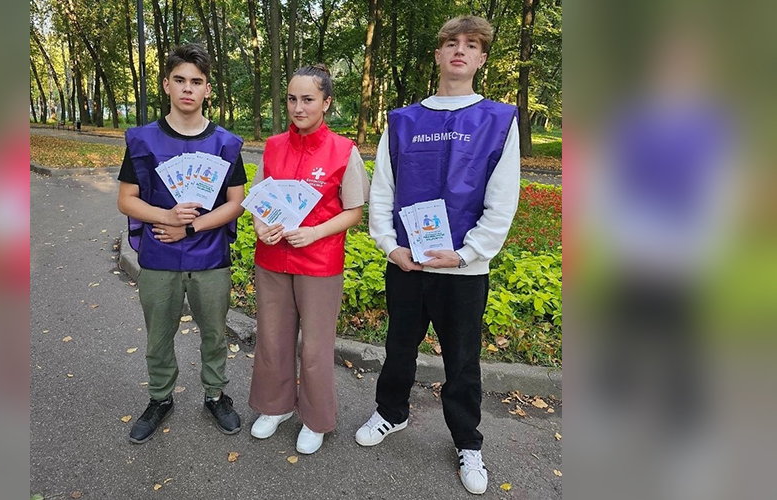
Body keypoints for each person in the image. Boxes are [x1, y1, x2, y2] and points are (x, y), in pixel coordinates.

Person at [356, 16, 520, 495]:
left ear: (482, 58)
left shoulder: (499, 120)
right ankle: (391, 413)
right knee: (399, 347)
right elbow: (383, 191)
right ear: (438, 54)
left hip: (463, 269)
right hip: (407, 263)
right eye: (451, 43)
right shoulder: (402, 121)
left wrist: (468, 254)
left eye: (470, 44)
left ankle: (468, 441)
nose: (459, 50)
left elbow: (502, 200)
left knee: (463, 361)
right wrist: (390, 246)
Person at [117, 43, 247, 444]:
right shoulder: (143, 141)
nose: (188, 88)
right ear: (166, 85)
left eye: (196, 81)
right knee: (158, 337)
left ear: (208, 89)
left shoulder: (225, 144)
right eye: (180, 80)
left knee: (215, 334)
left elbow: (236, 203)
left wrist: (189, 228)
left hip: (210, 259)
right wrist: (167, 217)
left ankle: (215, 395)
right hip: (159, 255)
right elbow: (126, 199)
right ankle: (160, 398)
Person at [247, 64, 370, 454]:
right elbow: (258, 200)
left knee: (316, 347)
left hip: (319, 262)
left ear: (326, 102)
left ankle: (315, 419)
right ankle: (276, 406)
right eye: (291, 99)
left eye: (308, 99)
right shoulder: (273, 146)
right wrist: (260, 226)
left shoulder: (343, 151)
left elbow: (354, 211)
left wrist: (315, 232)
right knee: (272, 338)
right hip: (272, 260)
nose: (298, 108)